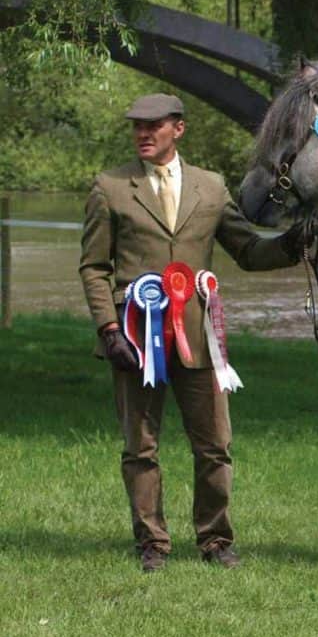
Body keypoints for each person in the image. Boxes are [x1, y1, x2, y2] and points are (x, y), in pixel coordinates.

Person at [79, 93, 305, 573]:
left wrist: (289, 246)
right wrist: (108, 328)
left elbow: (246, 250)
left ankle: (216, 540)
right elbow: (94, 267)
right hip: (135, 339)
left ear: (178, 129)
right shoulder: (110, 187)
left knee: (215, 444)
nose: (142, 133)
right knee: (140, 446)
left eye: (153, 125)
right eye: (137, 126)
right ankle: (152, 544)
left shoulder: (211, 187)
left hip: (198, 338)